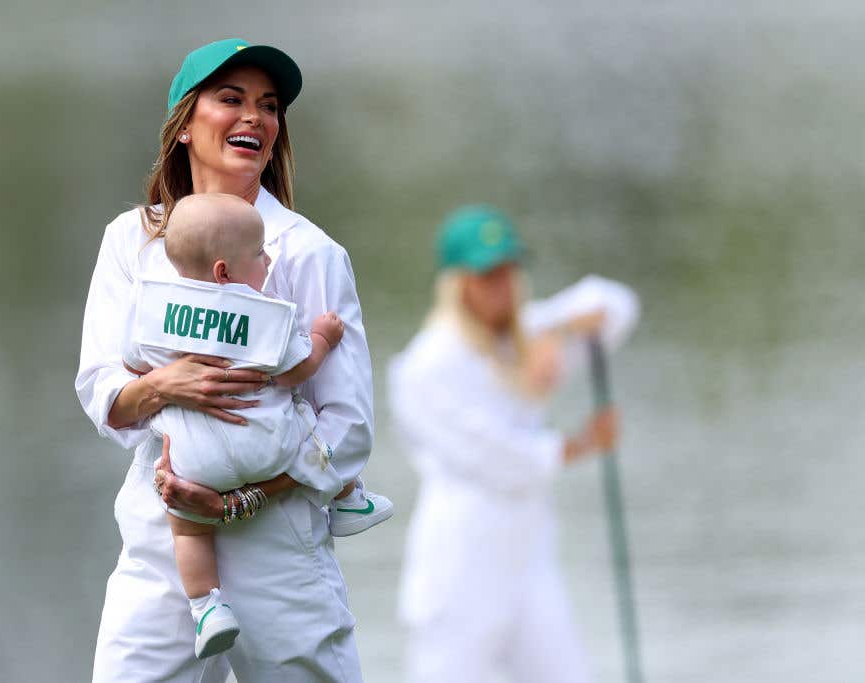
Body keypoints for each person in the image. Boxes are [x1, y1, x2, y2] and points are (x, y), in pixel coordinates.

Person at [76, 38, 375, 682]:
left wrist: (242, 501)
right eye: (230, 99)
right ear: (184, 124)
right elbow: (103, 391)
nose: (254, 118)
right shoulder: (131, 239)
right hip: (164, 535)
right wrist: (163, 385)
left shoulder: (308, 252)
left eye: (268, 107)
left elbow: (346, 430)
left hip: (280, 547)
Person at [120, 193, 392, 659]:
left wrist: (166, 375)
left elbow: (131, 361)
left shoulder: (155, 308)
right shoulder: (261, 312)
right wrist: (323, 339)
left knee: (187, 531)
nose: (268, 261)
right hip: (265, 447)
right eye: (261, 254)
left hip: (191, 461)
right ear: (225, 271)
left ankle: (206, 606)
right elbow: (295, 370)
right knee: (305, 421)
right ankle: (347, 498)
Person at [388, 205, 640, 683]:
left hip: (530, 564)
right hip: (460, 569)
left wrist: (561, 333)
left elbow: (615, 304)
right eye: (488, 276)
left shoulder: (527, 335)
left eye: (509, 271)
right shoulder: (426, 366)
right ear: (458, 284)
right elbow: (497, 458)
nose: (502, 287)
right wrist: (582, 444)